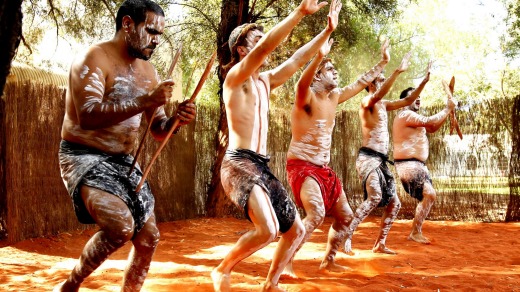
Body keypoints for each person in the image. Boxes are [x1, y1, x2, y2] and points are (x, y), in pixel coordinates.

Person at [55, 0, 196, 291]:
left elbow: (157, 130)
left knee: (149, 238)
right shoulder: (93, 59)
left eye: (160, 35)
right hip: (84, 155)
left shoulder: (149, 72)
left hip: (124, 160)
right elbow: (88, 117)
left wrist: (174, 122)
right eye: (151, 31)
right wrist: (146, 100)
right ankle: (71, 285)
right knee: (120, 227)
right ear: (128, 24)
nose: (156, 40)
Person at [211, 0, 342, 291]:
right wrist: (299, 13)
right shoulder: (234, 78)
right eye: (255, 40)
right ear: (242, 50)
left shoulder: (265, 81)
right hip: (238, 164)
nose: (262, 43)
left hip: (260, 165)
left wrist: (325, 32)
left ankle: (270, 283)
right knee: (268, 229)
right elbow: (267, 48)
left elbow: (296, 60)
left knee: (294, 230)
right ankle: (222, 270)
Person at [283, 38, 390, 275]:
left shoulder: (334, 97)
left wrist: (383, 61)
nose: (336, 73)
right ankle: (286, 262)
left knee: (345, 216)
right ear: (318, 76)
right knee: (317, 214)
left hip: (323, 168)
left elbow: (361, 81)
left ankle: (328, 260)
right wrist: (319, 56)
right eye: (331, 70)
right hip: (301, 166)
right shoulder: (305, 97)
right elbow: (301, 82)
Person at [343, 52, 430, 255]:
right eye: (380, 79)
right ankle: (346, 237)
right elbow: (380, 95)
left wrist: (424, 82)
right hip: (368, 158)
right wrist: (398, 71)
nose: (383, 81)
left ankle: (380, 244)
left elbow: (409, 99)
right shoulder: (367, 102)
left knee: (395, 203)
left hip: (381, 161)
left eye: (384, 78)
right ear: (371, 84)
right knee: (374, 197)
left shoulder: (383, 104)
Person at [392, 80, 456, 244]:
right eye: (414, 96)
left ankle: (416, 231)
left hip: (418, 165)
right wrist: (448, 108)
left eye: (419, 96)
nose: (418, 99)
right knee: (429, 194)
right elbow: (430, 122)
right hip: (409, 164)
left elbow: (433, 128)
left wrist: (448, 111)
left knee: (428, 196)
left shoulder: (414, 118)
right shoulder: (405, 114)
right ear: (404, 101)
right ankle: (415, 232)